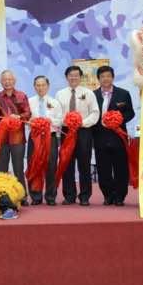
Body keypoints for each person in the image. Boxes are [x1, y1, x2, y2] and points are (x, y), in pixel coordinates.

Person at [55, 66, 99, 205]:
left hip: (83, 131)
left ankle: (85, 196)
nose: (73, 77)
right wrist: (66, 121)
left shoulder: (89, 93)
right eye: (70, 75)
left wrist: (81, 123)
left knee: (84, 164)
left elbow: (95, 112)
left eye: (76, 75)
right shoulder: (60, 94)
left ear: (80, 77)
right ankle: (69, 196)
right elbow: (56, 114)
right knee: (67, 164)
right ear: (66, 77)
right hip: (66, 132)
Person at [93, 65, 135, 206]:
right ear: (98, 79)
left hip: (118, 137)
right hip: (100, 137)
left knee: (120, 168)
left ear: (113, 77)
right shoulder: (92, 95)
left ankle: (120, 196)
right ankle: (107, 195)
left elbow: (130, 112)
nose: (106, 79)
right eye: (103, 76)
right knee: (103, 168)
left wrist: (118, 119)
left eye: (108, 76)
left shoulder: (123, 93)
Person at [0, 69, 31, 198]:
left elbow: (27, 113)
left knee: (18, 168)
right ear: (1, 82)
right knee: (1, 169)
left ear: (14, 81)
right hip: (1, 138)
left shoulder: (22, 95)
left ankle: (22, 196)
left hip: (17, 138)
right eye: (4, 80)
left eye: (9, 79)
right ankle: (1, 195)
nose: (7, 82)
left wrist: (18, 117)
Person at [28, 75, 63, 205]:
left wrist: (50, 121)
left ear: (48, 86)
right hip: (34, 137)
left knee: (51, 167)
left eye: (43, 85)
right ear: (34, 87)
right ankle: (36, 197)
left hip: (51, 137)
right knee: (34, 165)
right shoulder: (29, 101)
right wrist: (30, 121)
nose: (40, 88)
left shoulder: (55, 102)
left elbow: (60, 120)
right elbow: (26, 118)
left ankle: (50, 196)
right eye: (38, 85)